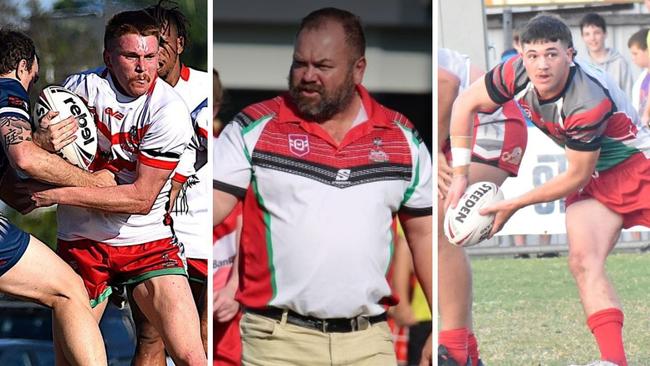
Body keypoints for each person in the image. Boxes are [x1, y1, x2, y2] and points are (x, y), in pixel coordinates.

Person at [213, 7, 432, 366]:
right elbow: (210, 206)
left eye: (323, 66)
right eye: (300, 63)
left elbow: (425, 236)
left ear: (358, 69)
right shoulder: (255, 126)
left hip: (370, 342)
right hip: (276, 342)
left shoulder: (401, 138)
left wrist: (441, 323)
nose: (308, 76)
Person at [447, 13, 650, 366]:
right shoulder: (514, 71)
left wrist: (513, 204)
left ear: (570, 55)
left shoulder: (587, 97)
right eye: (534, 55)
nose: (542, 65)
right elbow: (465, 104)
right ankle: (613, 361)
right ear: (521, 54)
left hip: (637, 167)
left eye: (552, 54)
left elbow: (575, 176)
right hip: (597, 176)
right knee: (583, 261)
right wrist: (461, 173)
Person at [30, 10, 206, 366]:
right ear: (108, 58)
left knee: (192, 356)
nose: (143, 67)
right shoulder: (78, 88)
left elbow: (140, 199)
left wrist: (56, 194)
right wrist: (41, 141)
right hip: (84, 242)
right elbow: (36, 155)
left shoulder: (168, 111)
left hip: (146, 241)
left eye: (150, 56)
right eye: (131, 57)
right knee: (72, 362)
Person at [0, 27, 109, 366]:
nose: (31, 86)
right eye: (32, 77)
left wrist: (40, 149)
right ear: (23, 66)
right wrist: (93, 184)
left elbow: (16, 193)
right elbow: (24, 156)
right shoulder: (8, 91)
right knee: (69, 290)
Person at [122, 3, 210, 364]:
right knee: (150, 336)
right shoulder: (127, 92)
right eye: (149, 40)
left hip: (206, 235)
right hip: (152, 237)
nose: (155, 49)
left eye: (163, 39)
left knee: (206, 336)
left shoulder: (207, 87)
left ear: (180, 44)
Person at [437, 48, 528, 366]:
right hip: (468, 125)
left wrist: (434, 151)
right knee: (440, 227)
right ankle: (465, 351)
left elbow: (446, 84)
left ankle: (455, 351)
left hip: (493, 122)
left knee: (441, 222)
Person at [579, 13, 633, 97]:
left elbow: (629, 95)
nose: (592, 38)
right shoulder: (580, 66)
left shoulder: (619, 63)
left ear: (605, 34)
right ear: (582, 37)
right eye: (587, 34)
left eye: (596, 33)